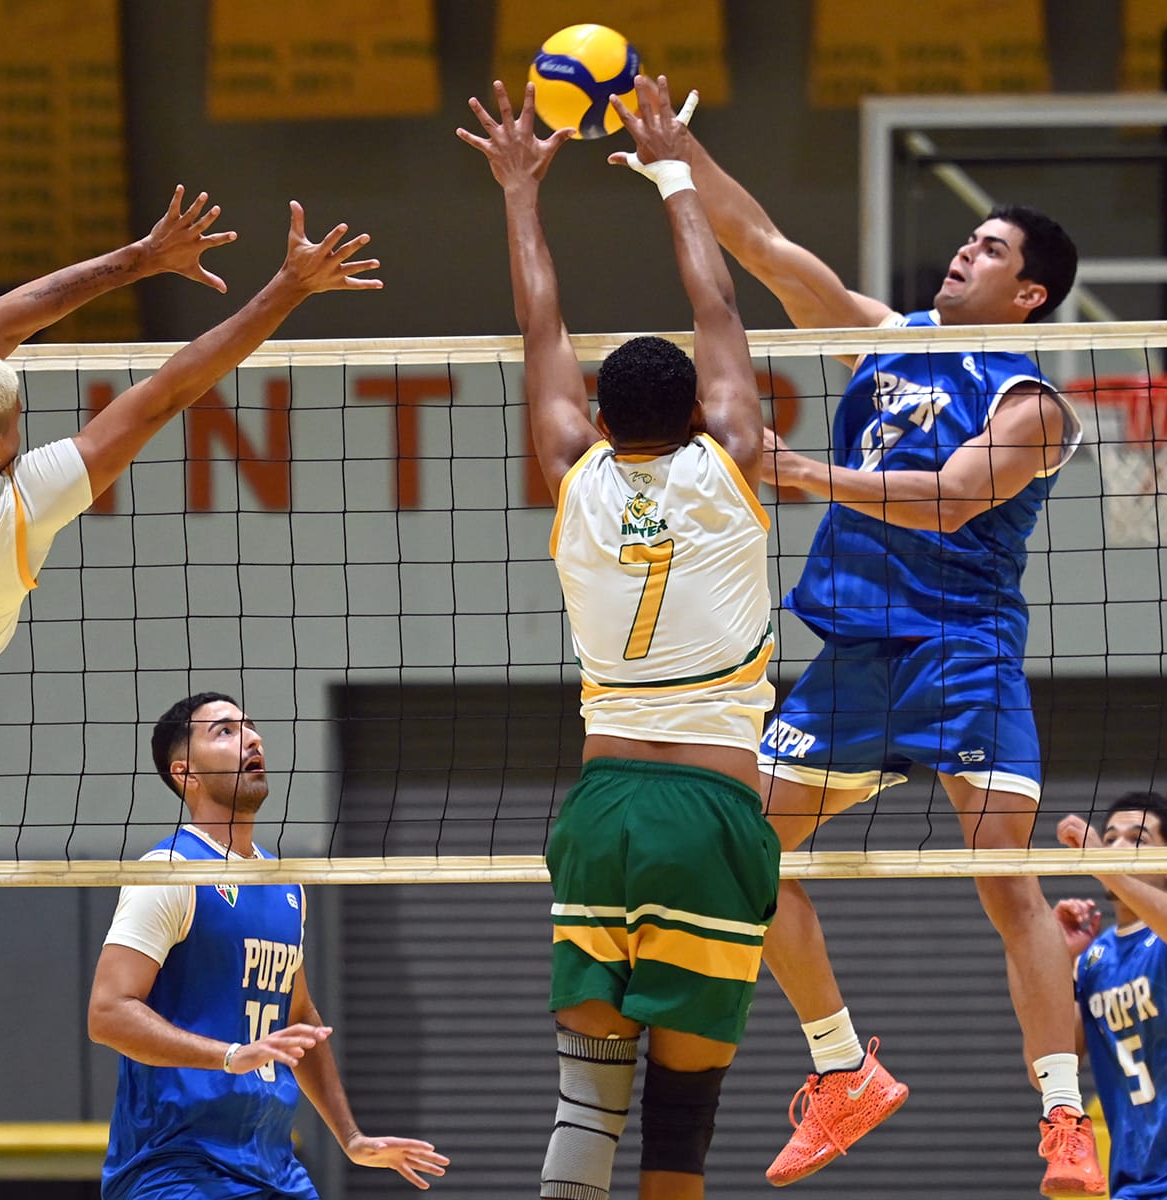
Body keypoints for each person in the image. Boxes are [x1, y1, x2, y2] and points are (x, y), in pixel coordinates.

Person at [0, 189, 382, 1200]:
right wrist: (283, 287)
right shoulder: (15, 508)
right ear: (0, 448)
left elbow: (3, 322)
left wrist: (135, 261)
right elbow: (172, 388)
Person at [677, 115, 1101, 1195]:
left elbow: (955, 503)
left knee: (1004, 878)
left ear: (1029, 296)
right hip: (858, 652)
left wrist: (796, 470)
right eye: (972, 237)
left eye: (994, 248)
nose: (969, 249)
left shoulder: (1033, 403)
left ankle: (1064, 1119)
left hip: (960, 651)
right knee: (739, 855)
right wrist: (674, 157)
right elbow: (763, 246)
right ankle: (842, 1071)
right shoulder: (891, 335)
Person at [459, 75, 779, 1200]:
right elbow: (720, 310)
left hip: (598, 812)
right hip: (712, 811)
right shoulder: (732, 457)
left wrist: (517, 190)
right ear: (703, 411)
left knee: (585, 1103)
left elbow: (538, 322)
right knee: (680, 1127)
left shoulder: (568, 469)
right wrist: (673, 171)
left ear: (596, 417)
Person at [87, 692, 450, 1198]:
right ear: (186, 773)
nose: (253, 739)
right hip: (178, 1171)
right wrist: (231, 1054)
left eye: (250, 728)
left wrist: (351, 1137)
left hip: (273, 1168)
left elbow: (299, 1019)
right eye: (226, 732)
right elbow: (107, 1013)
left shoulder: (284, 884)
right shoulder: (169, 871)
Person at [1056, 792, 1167, 1200]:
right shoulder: (1093, 960)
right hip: (1133, 1182)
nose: (1118, 847)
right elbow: (1049, 1062)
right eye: (1109, 839)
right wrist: (1058, 959)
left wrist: (1105, 868)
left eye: (1138, 838)